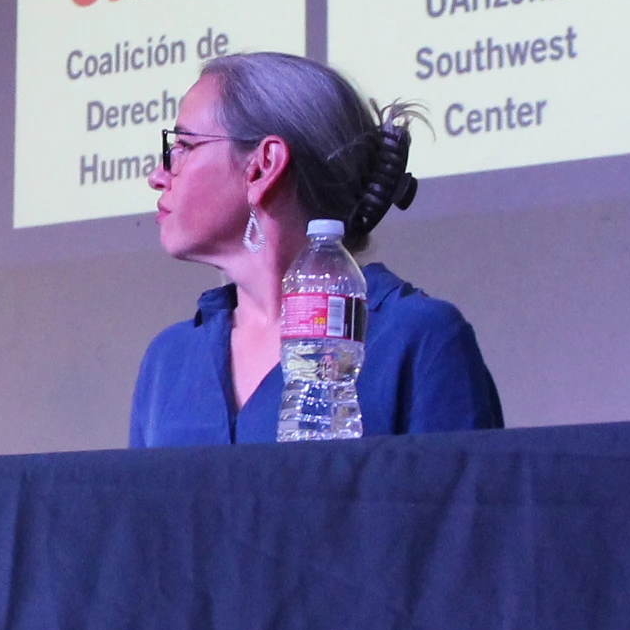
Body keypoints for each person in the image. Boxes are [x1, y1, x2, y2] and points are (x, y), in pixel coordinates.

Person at [129, 52, 501, 442]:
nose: (157, 176)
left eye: (183, 146)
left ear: (263, 165)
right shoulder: (169, 359)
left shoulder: (417, 338)